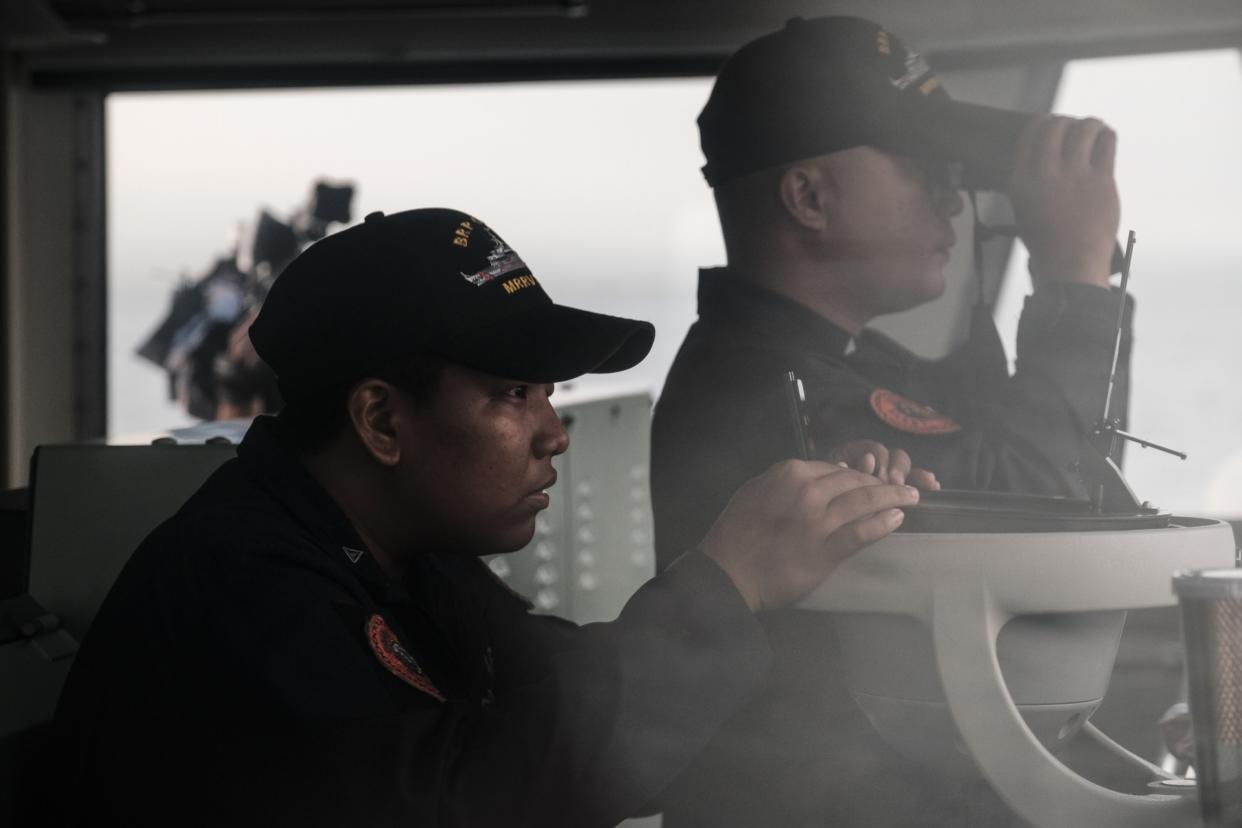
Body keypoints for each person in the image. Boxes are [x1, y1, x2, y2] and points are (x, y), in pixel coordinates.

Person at [53, 208, 919, 827]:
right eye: (513, 393)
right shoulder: (242, 588)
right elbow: (475, 797)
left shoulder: (394, 557)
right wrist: (727, 582)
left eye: (549, 393)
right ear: (383, 421)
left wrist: (799, 554)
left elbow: (551, 702)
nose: (552, 434)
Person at [650, 15, 1129, 827]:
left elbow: (1051, 457)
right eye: (917, 165)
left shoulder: (840, 362)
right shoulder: (769, 390)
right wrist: (1073, 277)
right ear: (808, 197)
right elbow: (1053, 507)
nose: (948, 196)